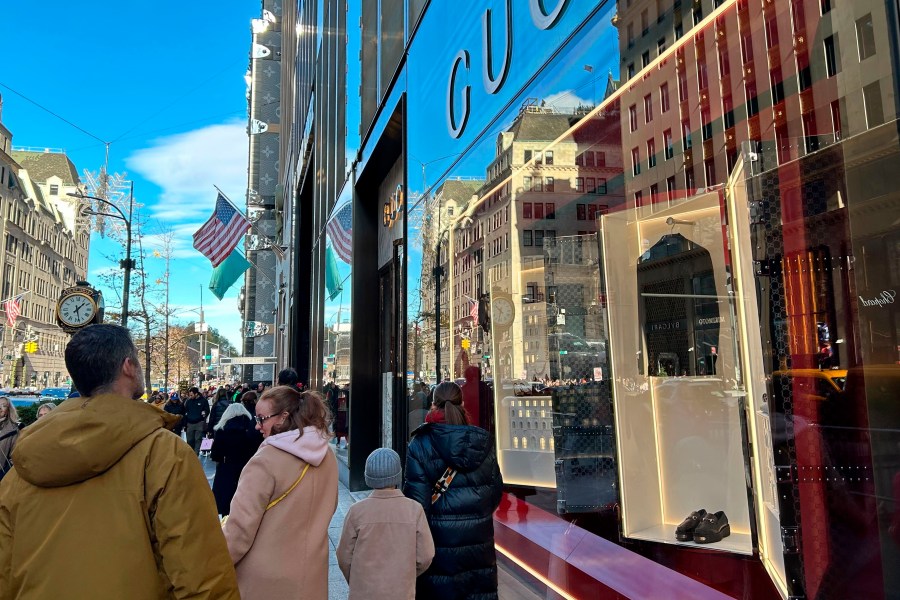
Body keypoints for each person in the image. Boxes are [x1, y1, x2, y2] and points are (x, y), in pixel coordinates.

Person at [0, 324, 239, 599]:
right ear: (128, 366)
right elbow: (202, 577)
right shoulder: (164, 454)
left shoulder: (25, 463)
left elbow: (4, 568)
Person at [223, 386, 338, 599]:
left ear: (283, 417)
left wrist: (212, 566)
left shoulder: (264, 461)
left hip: (264, 581)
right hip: (312, 576)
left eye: (262, 419)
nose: (257, 426)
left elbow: (239, 531)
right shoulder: (327, 456)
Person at [404, 381, 503, 600]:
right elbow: (495, 492)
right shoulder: (482, 441)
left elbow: (416, 505)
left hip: (438, 547)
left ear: (433, 405)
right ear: (463, 404)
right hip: (478, 545)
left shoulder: (420, 444)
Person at [337, 448, 434, 600]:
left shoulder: (356, 511)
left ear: (368, 476)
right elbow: (426, 555)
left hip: (364, 593)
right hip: (401, 592)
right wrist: (406, 574)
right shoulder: (414, 510)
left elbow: (343, 556)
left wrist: (357, 580)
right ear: (398, 475)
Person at [211, 403, 263, 516]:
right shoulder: (252, 427)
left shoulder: (222, 428)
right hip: (247, 466)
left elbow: (215, 454)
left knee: (226, 499)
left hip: (227, 467)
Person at [184, 386, 208, 454]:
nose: (190, 396)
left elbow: (207, 410)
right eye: (189, 395)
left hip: (199, 423)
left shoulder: (203, 401)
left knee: (198, 439)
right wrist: (185, 423)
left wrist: (203, 415)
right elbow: (185, 411)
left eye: (191, 395)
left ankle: (196, 454)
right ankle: (190, 453)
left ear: (196, 394)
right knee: (190, 440)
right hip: (190, 423)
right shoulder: (188, 401)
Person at [0, 397, 20, 481]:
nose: (0, 408)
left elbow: (15, 456)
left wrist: (4, 473)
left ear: (8, 410)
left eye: (4, 406)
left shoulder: (14, 430)